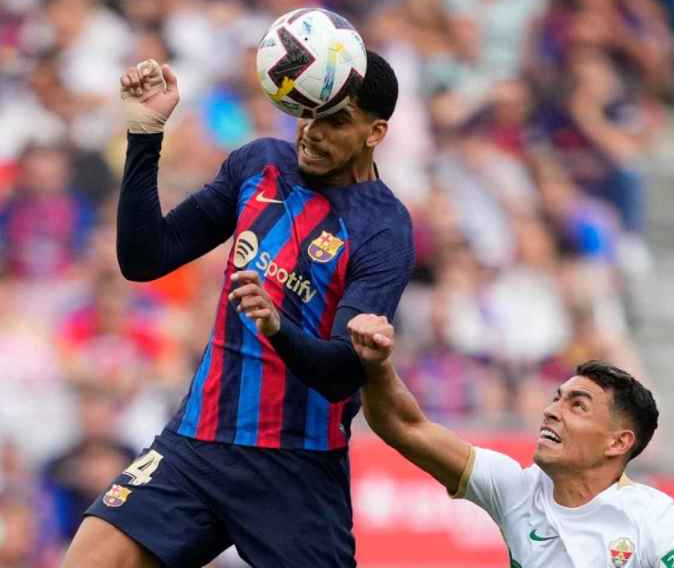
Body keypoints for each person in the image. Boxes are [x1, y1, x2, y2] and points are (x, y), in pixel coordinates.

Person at [62, 49, 414, 567]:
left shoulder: (384, 229)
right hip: (195, 443)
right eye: (308, 111)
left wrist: (276, 326)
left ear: (375, 132)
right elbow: (144, 258)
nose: (313, 131)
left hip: (295, 466)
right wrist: (145, 133)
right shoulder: (261, 165)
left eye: (336, 120)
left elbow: (342, 372)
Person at [339, 312, 674, 568]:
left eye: (578, 405)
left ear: (617, 443)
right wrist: (377, 365)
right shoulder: (514, 488)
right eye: (557, 398)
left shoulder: (651, 517)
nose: (552, 411)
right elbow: (406, 428)